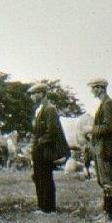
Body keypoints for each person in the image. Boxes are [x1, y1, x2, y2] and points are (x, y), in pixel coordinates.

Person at [28, 82, 70, 214]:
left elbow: (52, 130)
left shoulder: (50, 109)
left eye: (33, 94)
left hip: (45, 149)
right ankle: (42, 206)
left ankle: (48, 208)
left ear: (41, 94)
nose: (31, 97)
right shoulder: (40, 109)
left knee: (45, 177)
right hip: (39, 148)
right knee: (39, 177)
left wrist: (39, 143)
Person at [86, 78, 112, 220]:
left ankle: (109, 214)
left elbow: (109, 127)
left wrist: (91, 129)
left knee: (107, 181)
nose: (92, 91)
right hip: (101, 148)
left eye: (93, 88)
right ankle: (106, 212)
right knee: (103, 181)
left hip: (106, 149)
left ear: (100, 88)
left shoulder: (108, 104)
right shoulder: (105, 104)